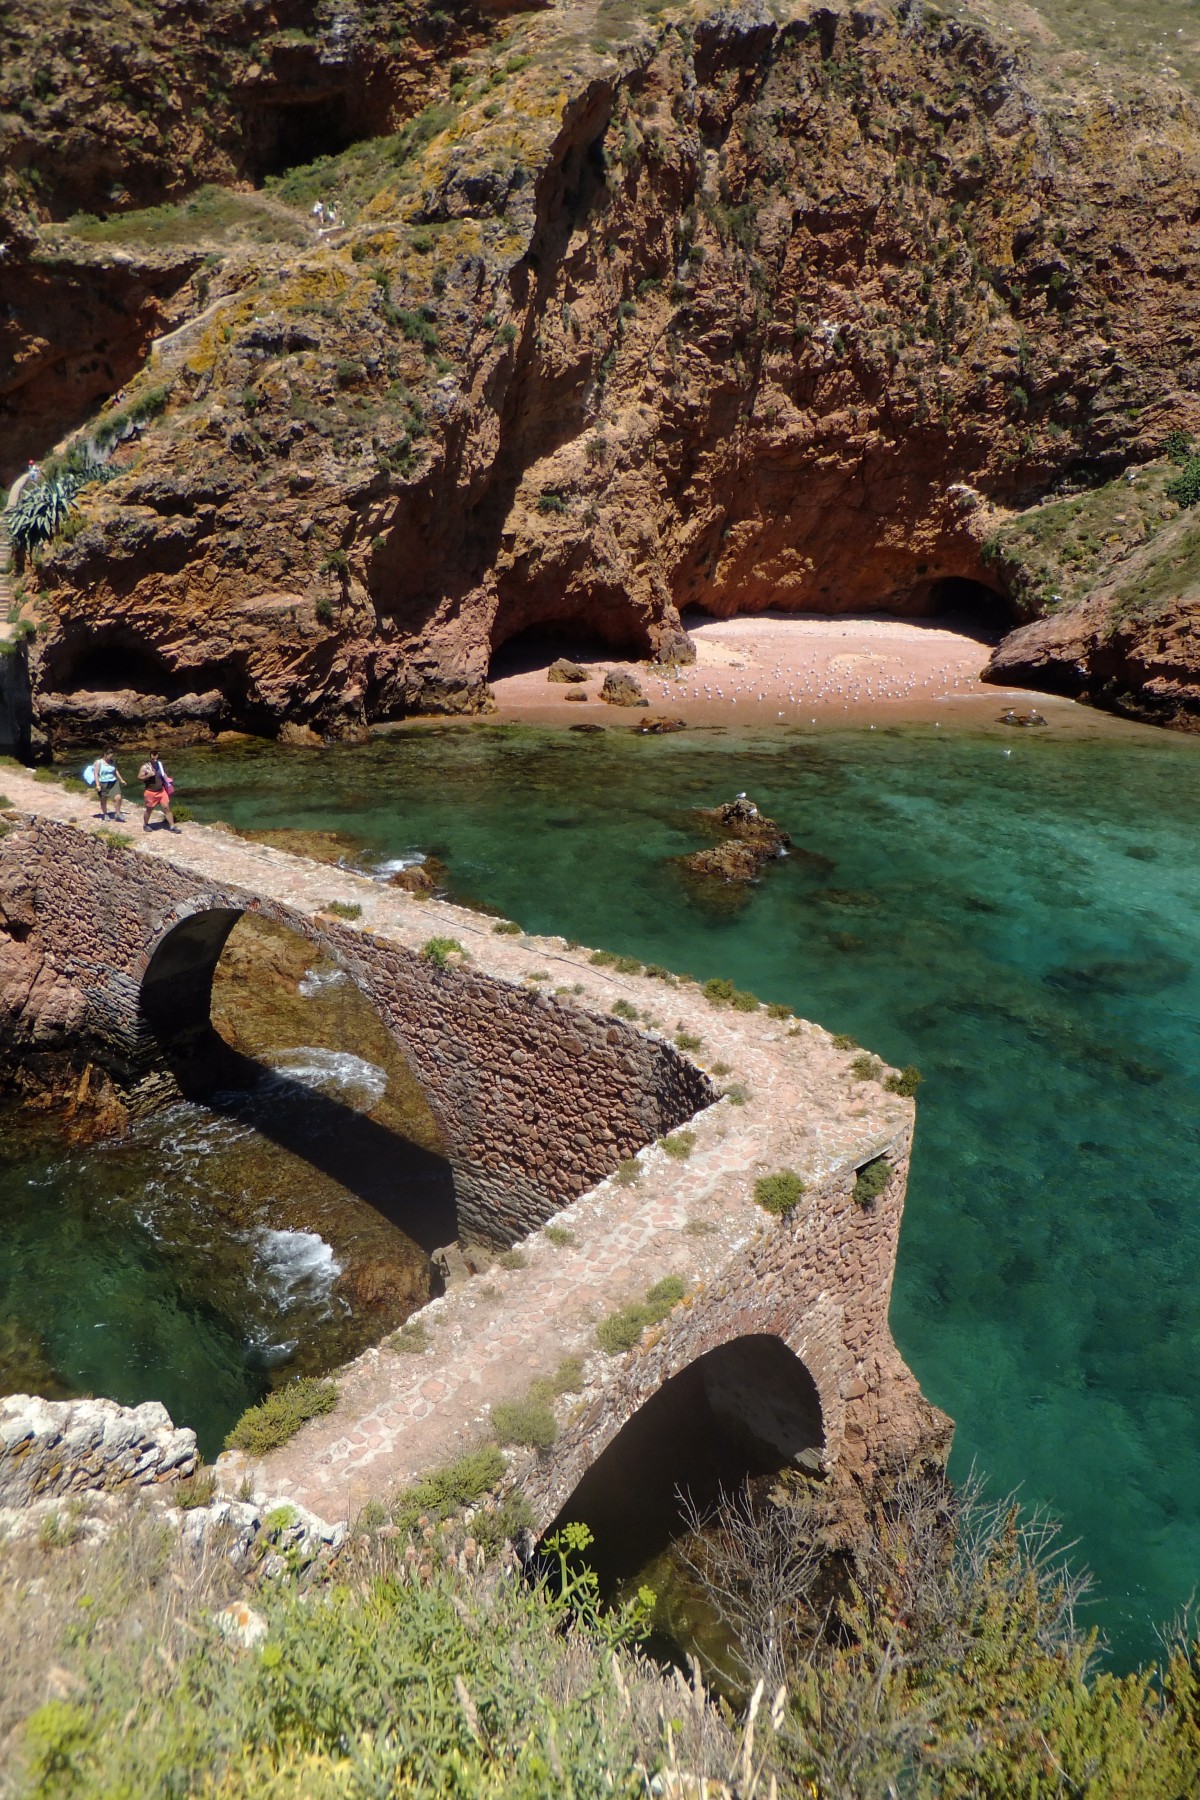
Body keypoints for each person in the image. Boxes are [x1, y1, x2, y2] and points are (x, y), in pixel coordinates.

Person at [138, 750, 180, 833]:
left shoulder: (160, 765)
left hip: (161, 791)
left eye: (156, 756)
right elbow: (139, 777)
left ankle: (172, 826)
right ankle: (146, 824)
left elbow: (163, 774)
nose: (155, 758)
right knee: (149, 809)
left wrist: (168, 782)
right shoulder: (145, 767)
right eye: (153, 757)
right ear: (150, 757)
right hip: (150, 792)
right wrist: (148, 775)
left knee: (166, 808)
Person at [90, 747, 126, 820]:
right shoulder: (98, 762)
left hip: (113, 782)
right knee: (104, 799)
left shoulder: (112, 762)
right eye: (110, 756)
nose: (111, 758)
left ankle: (118, 814)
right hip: (103, 783)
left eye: (112, 756)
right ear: (105, 755)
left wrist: (121, 780)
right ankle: (105, 814)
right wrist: (97, 785)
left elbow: (116, 771)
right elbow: (96, 774)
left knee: (118, 797)